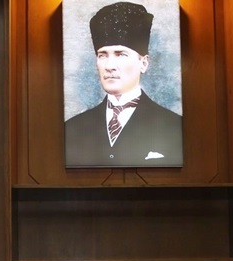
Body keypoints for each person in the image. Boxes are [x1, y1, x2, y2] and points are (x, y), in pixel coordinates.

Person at [65, 1, 183, 167]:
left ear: (143, 63)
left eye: (120, 54)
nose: (109, 66)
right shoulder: (72, 128)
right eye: (102, 55)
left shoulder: (174, 125)